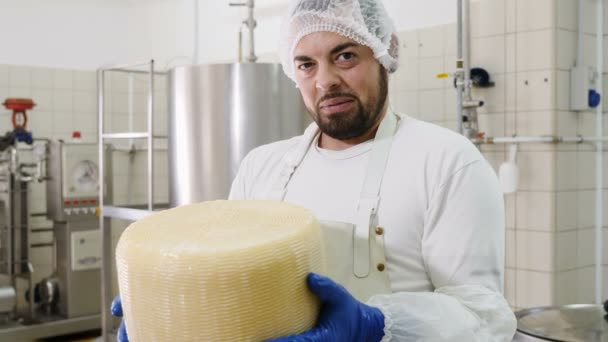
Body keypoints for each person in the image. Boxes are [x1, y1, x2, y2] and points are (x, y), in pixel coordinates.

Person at [112, 0, 517, 340]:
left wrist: (375, 325)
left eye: (344, 56)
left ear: (383, 55)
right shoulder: (262, 166)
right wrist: (169, 314)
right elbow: (228, 283)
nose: (325, 80)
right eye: (306, 64)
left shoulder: (446, 161)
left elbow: (485, 317)